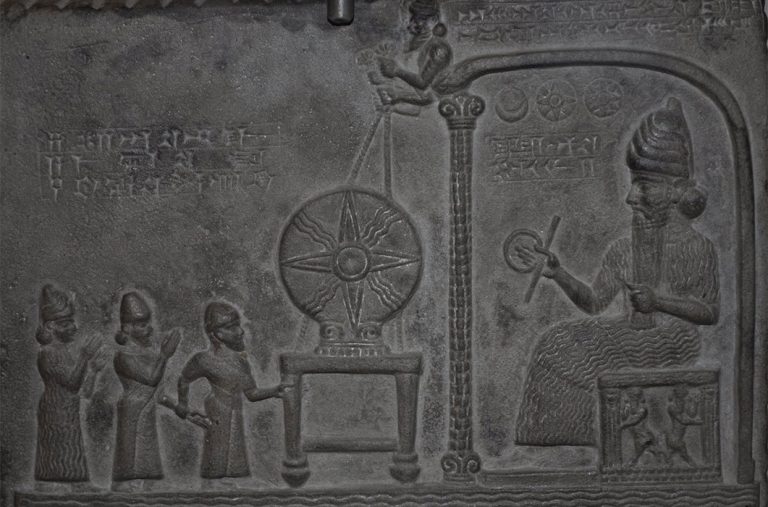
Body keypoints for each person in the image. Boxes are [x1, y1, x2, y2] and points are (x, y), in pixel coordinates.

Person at [514, 98, 719, 446]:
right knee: (554, 342)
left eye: (644, 186)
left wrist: (659, 302)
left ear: (675, 191)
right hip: (634, 335)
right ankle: (564, 443)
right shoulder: (624, 249)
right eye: (633, 184)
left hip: (675, 341)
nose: (631, 197)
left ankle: (601, 440)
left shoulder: (698, 248)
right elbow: (594, 303)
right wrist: (558, 274)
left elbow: (710, 313)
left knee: (585, 354)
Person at [174, 301, 290, 483]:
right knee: (217, 451)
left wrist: (275, 390)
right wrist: (182, 403)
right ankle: (213, 484)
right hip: (217, 410)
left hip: (235, 412)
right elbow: (184, 379)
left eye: (238, 325)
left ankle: (231, 484)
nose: (240, 331)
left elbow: (251, 393)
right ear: (216, 333)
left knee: (235, 455)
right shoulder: (203, 360)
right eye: (232, 327)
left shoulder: (241, 362)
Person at [34, 283, 107, 488]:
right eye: (66, 323)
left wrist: (93, 370)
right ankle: (55, 485)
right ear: (50, 326)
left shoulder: (62, 352)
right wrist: (84, 355)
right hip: (56, 409)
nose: (74, 327)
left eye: (71, 322)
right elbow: (73, 384)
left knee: (71, 447)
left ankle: (75, 483)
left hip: (67, 407)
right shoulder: (48, 353)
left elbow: (83, 392)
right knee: (60, 449)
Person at [112, 291, 182, 491]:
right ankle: (126, 485)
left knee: (146, 449)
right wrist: (165, 355)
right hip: (133, 409)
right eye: (142, 325)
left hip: (147, 407)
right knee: (132, 450)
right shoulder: (123, 356)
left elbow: (158, 394)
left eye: (147, 323)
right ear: (128, 328)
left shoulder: (147, 354)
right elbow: (151, 379)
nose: (149, 328)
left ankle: (147, 485)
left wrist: (179, 407)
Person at [374, 0, 452, 108]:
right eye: (413, 17)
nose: (412, 23)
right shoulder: (412, 41)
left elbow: (423, 84)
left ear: (434, 20)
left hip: (428, 104)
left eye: (420, 18)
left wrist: (396, 71)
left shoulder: (439, 49)